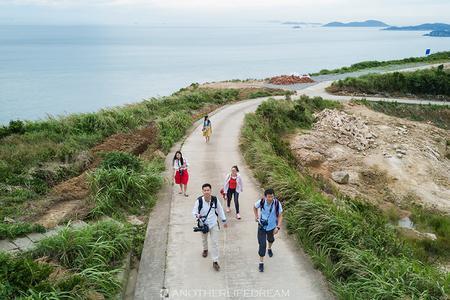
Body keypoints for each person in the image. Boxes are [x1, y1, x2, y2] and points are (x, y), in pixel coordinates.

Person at [192, 183, 228, 271]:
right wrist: (198, 216)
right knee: (204, 239)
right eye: (205, 190)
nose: (206, 192)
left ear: (210, 191)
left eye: (208, 190)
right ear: (202, 191)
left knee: (215, 242)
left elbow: (219, 210)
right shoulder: (199, 201)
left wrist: (224, 220)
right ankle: (205, 249)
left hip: (213, 223)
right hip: (203, 224)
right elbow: (194, 212)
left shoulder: (215, 200)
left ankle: (215, 261)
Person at [253, 188, 283, 272]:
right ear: (265, 197)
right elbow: (255, 207)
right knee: (262, 245)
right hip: (262, 226)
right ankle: (261, 263)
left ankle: (269, 249)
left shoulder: (277, 203)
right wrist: (256, 216)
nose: (270, 199)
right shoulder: (261, 202)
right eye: (269, 197)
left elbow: (280, 216)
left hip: (272, 227)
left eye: (272, 197)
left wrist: (278, 227)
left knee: (271, 239)